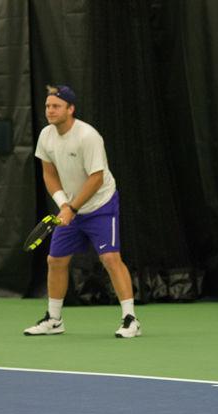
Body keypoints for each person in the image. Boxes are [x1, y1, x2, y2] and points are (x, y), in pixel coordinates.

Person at [24, 85, 141, 338]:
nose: (50, 111)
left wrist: (73, 208)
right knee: (55, 260)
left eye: (56, 106)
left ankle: (130, 319)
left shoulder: (88, 136)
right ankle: (54, 320)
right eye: (47, 106)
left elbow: (96, 178)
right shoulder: (46, 136)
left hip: (101, 204)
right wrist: (64, 205)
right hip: (72, 207)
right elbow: (49, 173)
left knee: (110, 258)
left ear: (70, 109)